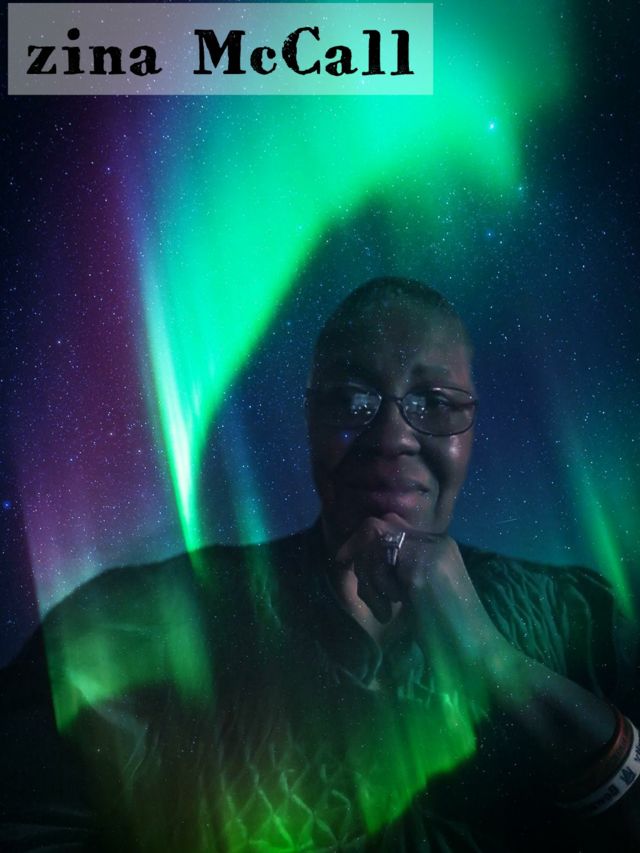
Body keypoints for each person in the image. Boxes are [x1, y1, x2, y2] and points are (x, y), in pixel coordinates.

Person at [1, 277, 639, 852]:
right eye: (352, 400)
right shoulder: (139, 625)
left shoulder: (577, 617)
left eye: (435, 401)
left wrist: (498, 663)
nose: (392, 437)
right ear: (309, 420)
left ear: (471, 426)